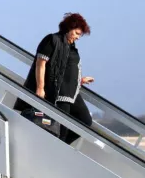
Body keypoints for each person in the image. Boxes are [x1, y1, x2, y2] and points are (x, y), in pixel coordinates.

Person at [15, 13, 94, 144]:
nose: (78, 37)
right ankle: (56, 148)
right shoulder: (52, 40)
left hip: (72, 93)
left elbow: (65, 69)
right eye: (76, 33)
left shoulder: (70, 47)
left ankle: (57, 146)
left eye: (80, 35)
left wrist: (80, 80)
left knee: (85, 120)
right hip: (59, 93)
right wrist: (40, 88)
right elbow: (40, 64)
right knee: (61, 129)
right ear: (69, 28)